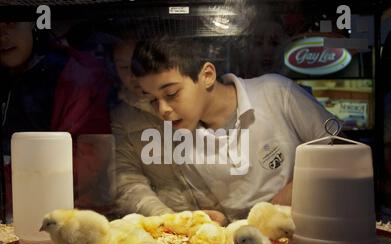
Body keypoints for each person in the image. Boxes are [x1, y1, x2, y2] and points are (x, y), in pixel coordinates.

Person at [130, 37, 335, 221]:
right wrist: (217, 220)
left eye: (172, 93)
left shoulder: (276, 93)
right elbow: (228, 216)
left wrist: (292, 193)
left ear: (207, 75)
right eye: (153, 100)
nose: (163, 110)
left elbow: (342, 148)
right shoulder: (181, 143)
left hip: (316, 227)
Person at [0, 22, 112, 218]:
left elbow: (86, 160)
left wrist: (9, 185)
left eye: (11, 23)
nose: (2, 36)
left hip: (60, 212)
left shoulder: (73, 77)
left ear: (33, 25)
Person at [110, 38, 225, 221]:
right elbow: (127, 180)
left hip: (220, 220)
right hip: (168, 228)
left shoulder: (195, 98)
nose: (134, 76)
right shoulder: (123, 117)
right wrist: (169, 220)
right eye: (125, 67)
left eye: (138, 66)